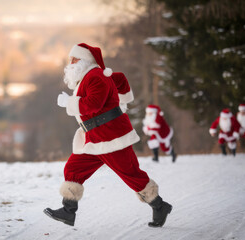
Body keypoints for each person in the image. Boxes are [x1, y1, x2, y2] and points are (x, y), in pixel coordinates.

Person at [43, 43, 172, 227]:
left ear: (86, 61)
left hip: (111, 138)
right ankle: (68, 211)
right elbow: (118, 80)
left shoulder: (95, 76)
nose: (70, 63)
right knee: (74, 168)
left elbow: (94, 104)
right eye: (70, 59)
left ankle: (160, 206)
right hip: (96, 139)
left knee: (131, 174)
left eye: (75, 59)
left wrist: (68, 102)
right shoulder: (87, 77)